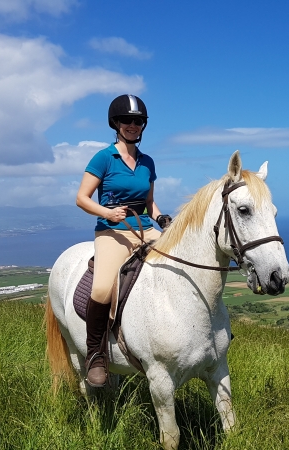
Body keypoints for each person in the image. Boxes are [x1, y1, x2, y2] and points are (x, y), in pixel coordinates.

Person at [75, 94, 171, 387]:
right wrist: (108, 212)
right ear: (115, 123)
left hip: (144, 228)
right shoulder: (104, 157)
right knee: (103, 288)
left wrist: (162, 219)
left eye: (138, 121)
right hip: (111, 231)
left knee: (184, 264)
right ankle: (95, 355)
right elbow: (81, 198)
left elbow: (149, 202)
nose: (133, 125)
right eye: (127, 120)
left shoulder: (147, 162)